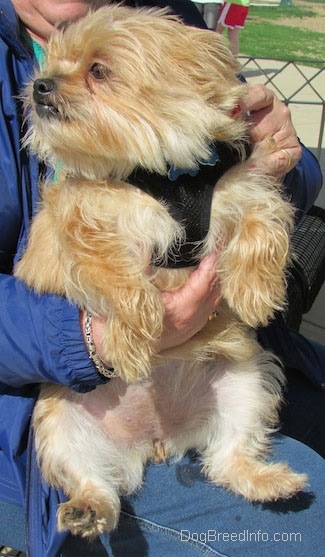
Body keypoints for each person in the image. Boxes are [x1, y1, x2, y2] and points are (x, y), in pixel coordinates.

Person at [0, 0, 324, 556]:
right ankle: (92, 487)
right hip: (48, 398)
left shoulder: (170, 18)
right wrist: (87, 337)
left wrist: (278, 154)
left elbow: (275, 178)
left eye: (96, 72)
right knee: (304, 531)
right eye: (53, 70)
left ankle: (234, 457)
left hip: (207, 363)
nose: (49, 86)